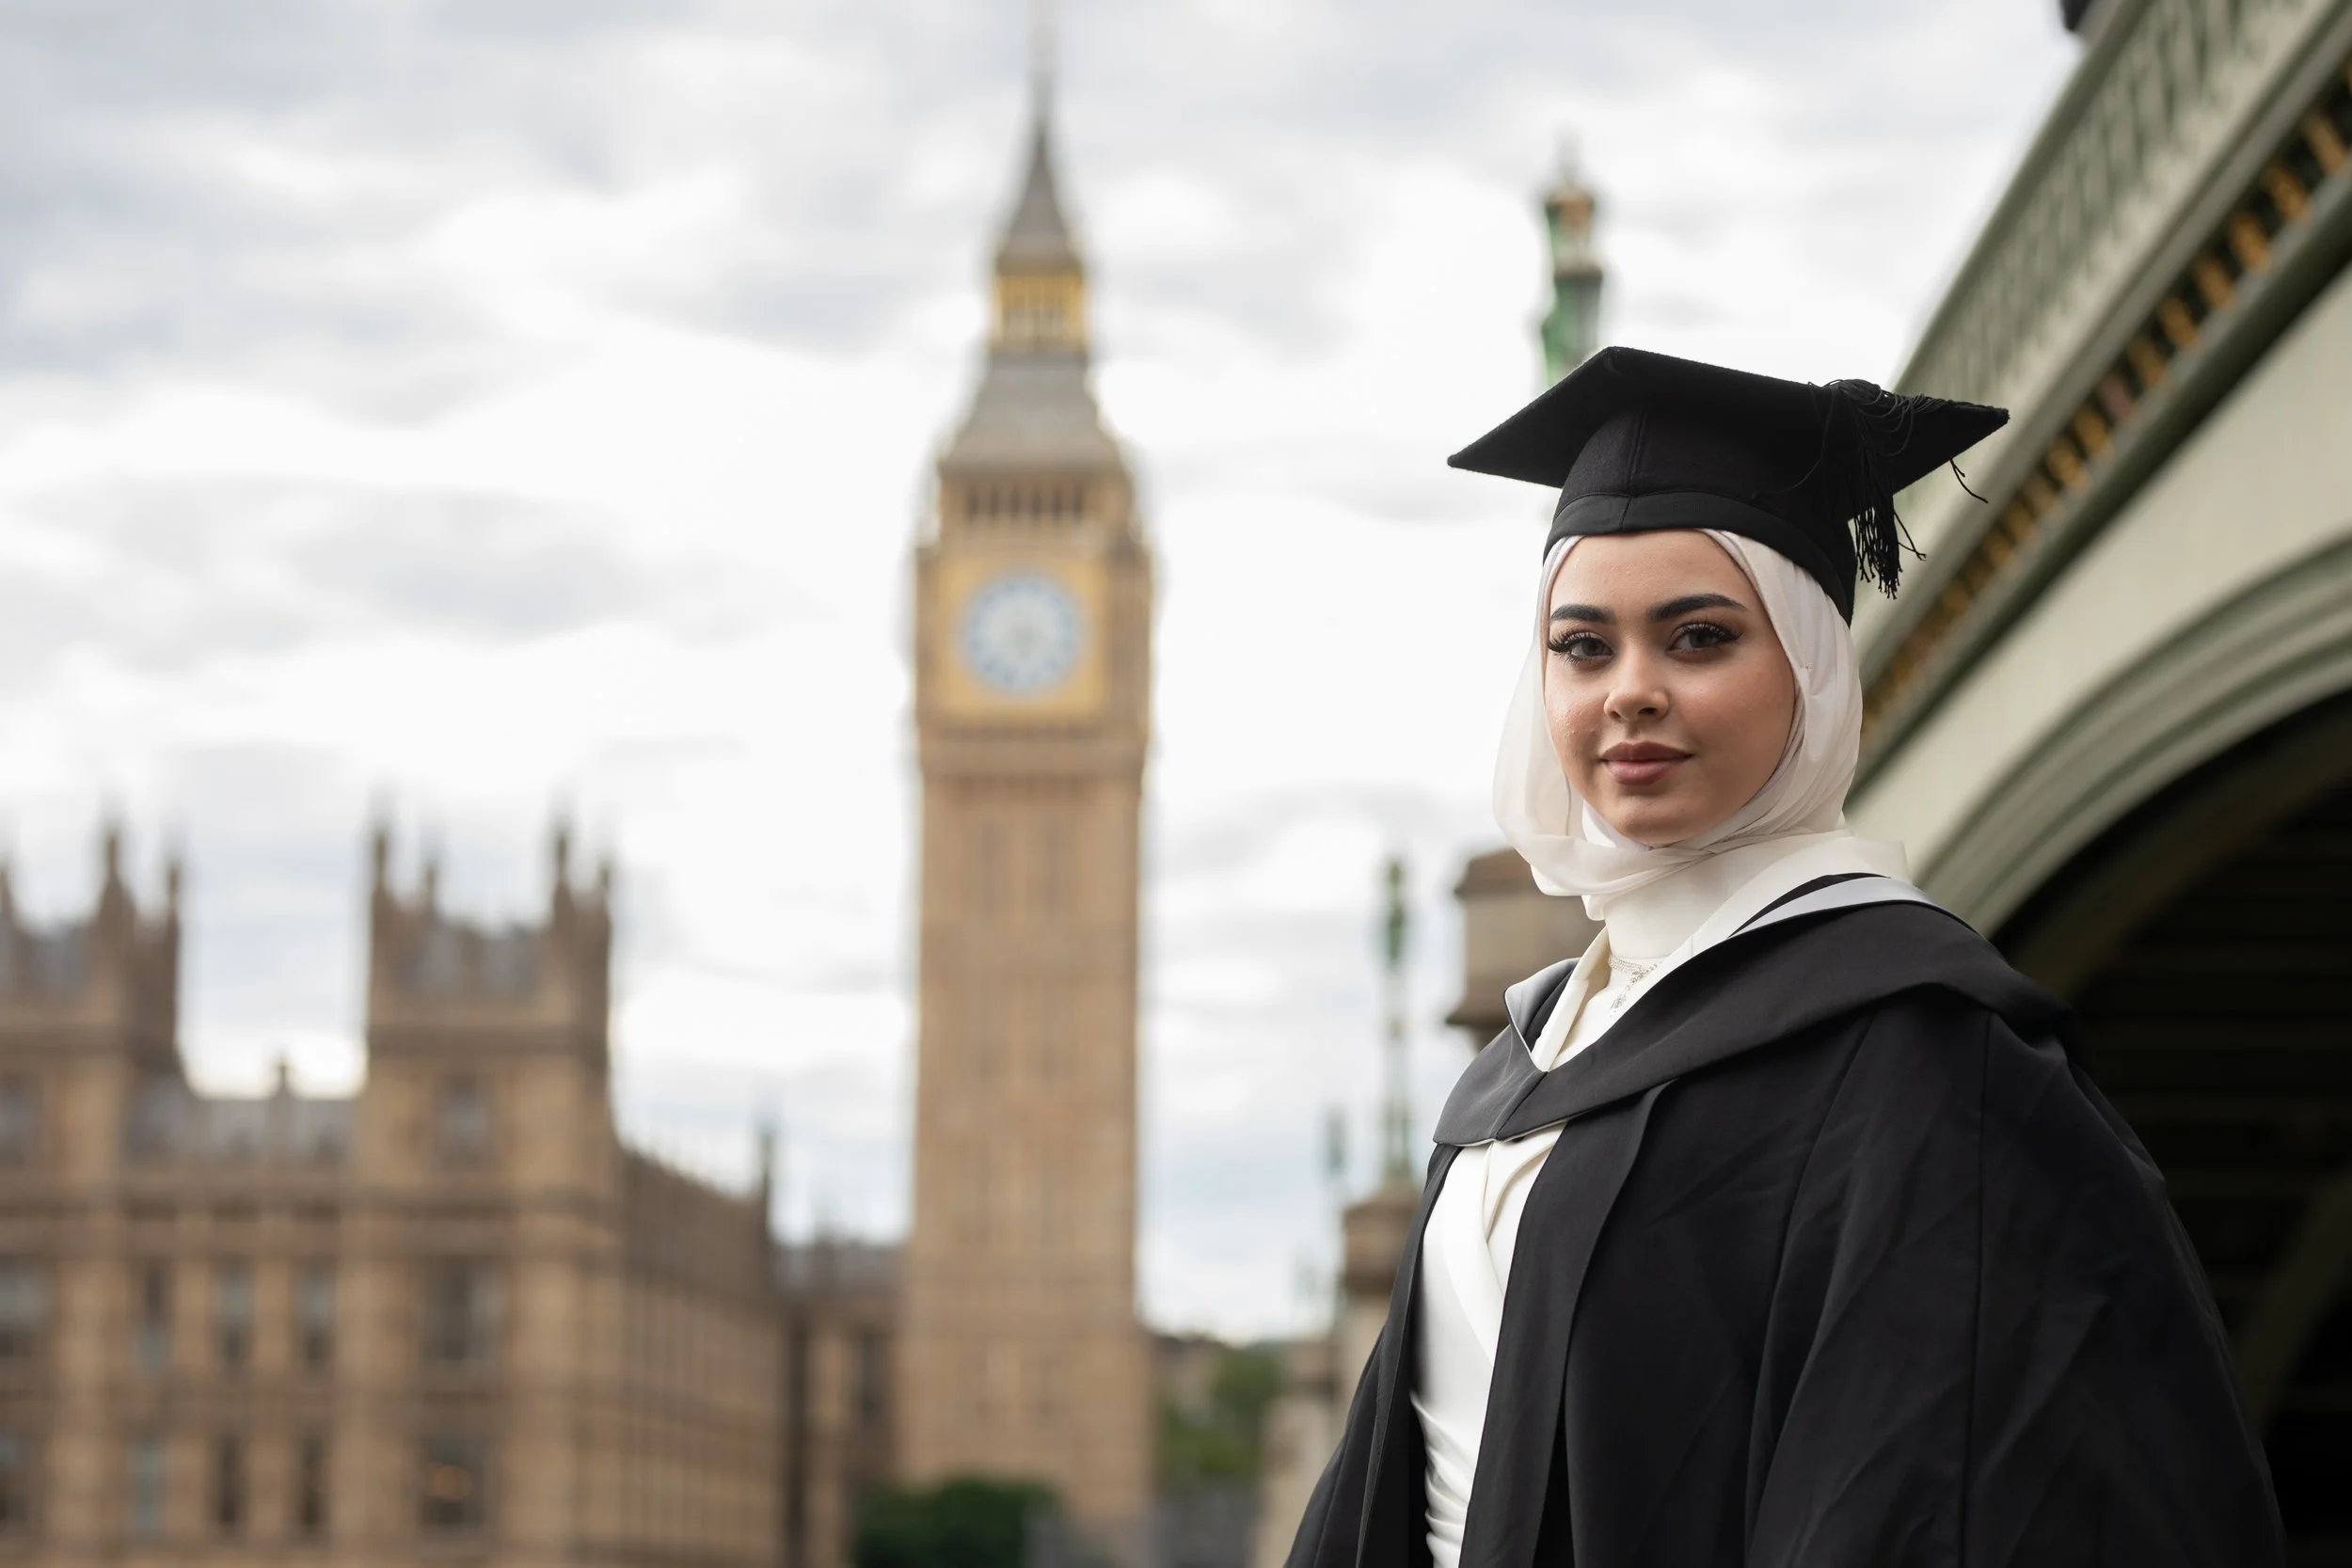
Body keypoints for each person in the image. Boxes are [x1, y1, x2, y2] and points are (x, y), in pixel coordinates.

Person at [1286, 347, 2283, 1568]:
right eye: (1583, 646)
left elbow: (1945, 1502)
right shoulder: (1524, 1065)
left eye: (1698, 638)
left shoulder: (1927, 1068)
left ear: (1810, 667)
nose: (1629, 693)